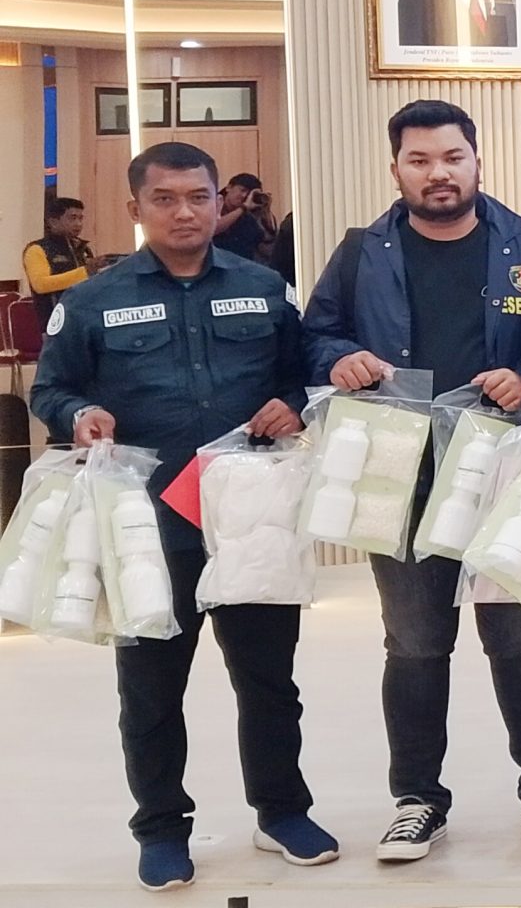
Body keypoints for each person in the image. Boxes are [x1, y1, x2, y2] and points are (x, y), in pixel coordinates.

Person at [31, 141, 333, 891]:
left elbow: (304, 375)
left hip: (250, 519)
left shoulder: (264, 287)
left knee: (269, 680)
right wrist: (79, 413)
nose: (184, 212)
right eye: (164, 199)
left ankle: (282, 812)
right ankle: (162, 828)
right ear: (136, 208)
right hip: (147, 527)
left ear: (217, 201)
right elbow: (50, 389)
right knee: (150, 690)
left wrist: (293, 404)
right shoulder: (93, 301)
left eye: (199, 197)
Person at [299, 100, 521, 861]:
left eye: (452, 157)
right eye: (419, 160)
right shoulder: (361, 252)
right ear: (395, 169)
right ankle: (417, 798)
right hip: (400, 477)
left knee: (518, 634)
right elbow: (316, 335)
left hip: (503, 472)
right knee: (416, 643)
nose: (438, 173)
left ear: (476, 160)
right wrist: (339, 359)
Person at [22, 195, 100, 331]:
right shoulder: (37, 249)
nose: (78, 224)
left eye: (81, 218)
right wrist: (85, 272)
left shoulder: (82, 248)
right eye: (72, 218)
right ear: (53, 222)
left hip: (84, 320)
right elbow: (41, 284)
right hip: (53, 322)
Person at [214, 173, 274, 262]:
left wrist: (265, 213)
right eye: (242, 190)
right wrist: (243, 208)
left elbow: (266, 248)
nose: (244, 196)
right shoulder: (211, 204)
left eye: (249, 194)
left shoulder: (248, 217)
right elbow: (212, 229)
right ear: (229, 187)